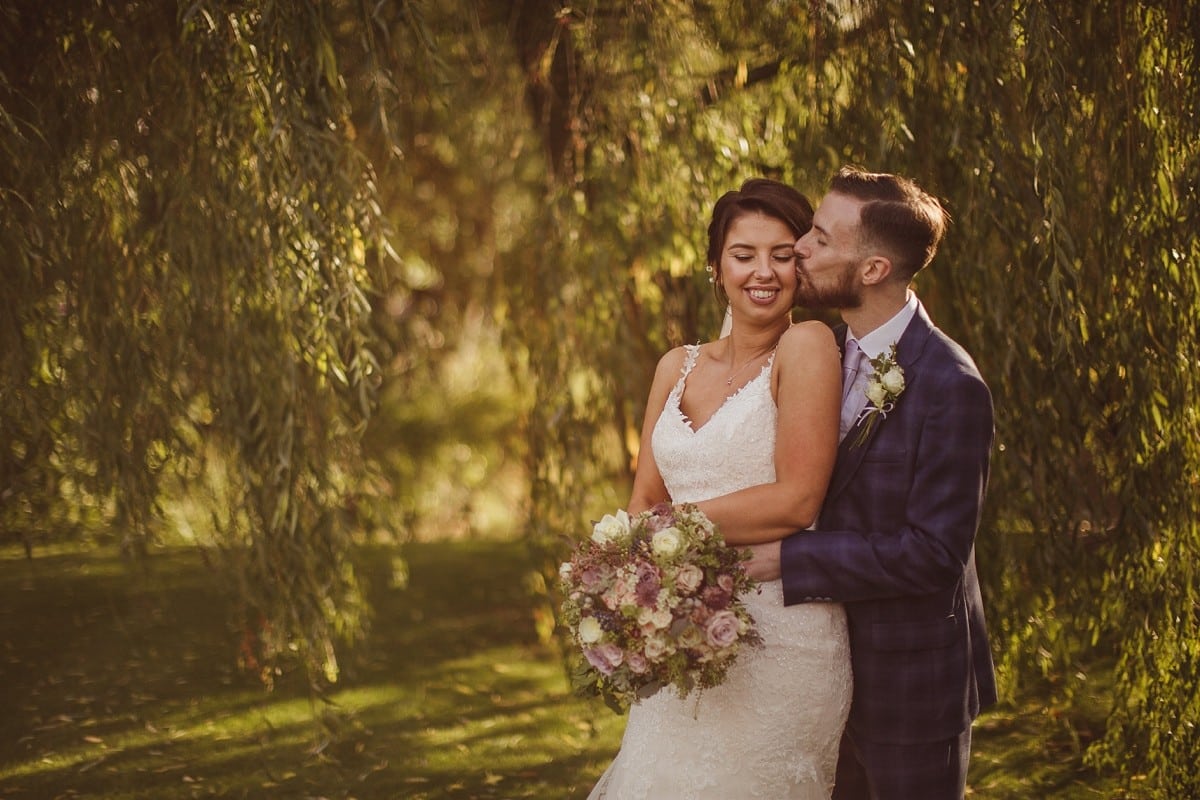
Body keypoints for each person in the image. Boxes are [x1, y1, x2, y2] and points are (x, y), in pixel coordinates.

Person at [587, 178, 851, 799]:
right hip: (679, 628)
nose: (764, 272)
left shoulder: (806, 346)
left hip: (781, 636)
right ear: (715, 267)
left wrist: (669, 536)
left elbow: (797, 499)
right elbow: (643, 498)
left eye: (783, 254)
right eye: (744, 254)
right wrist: (644, 596)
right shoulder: (675, 366)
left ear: (802, 264)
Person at [746, 166, 998, 799]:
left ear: (874, 270)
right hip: (819, 669)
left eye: (822, 239)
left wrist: (787, 558)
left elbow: (934, 555)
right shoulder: (819, 352)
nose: (800, 246)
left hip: (912, 683)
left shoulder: (951, 386)